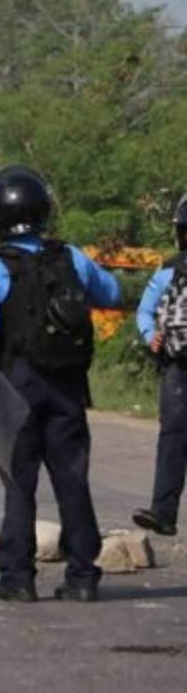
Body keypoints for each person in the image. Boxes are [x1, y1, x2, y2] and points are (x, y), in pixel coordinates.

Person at [0, 166, 121, 602]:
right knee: (72, 479)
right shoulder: (71, 256)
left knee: (19, 483)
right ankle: (84, 575)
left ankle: (18, 576)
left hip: (16, 386)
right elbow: (111, 293)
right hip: (67, 385)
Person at [132, 193, 187, 537]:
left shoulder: (168, 271)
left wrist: (152, 332)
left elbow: (143, 309)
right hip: (177, 366)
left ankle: (163, 511)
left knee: (172, 439)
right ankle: (163, 511)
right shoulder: (168, 272)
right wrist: (151, 334)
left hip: (176, 368)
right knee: (172, 439)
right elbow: (145, 311)